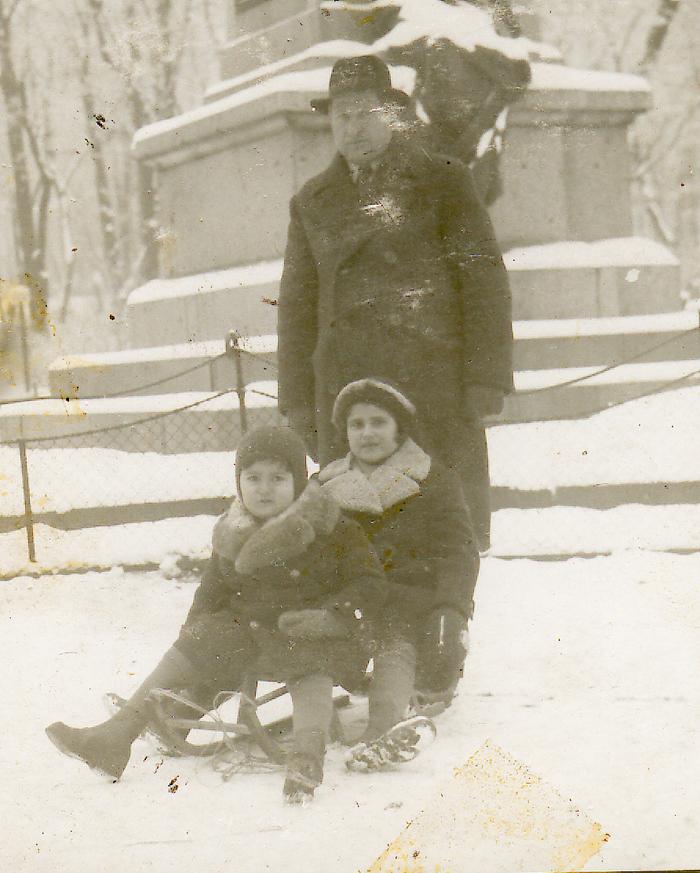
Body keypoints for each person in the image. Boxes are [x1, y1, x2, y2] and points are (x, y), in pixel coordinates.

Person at [46, 426, 386, 803]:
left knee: (310, 666)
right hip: (252, 633)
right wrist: (193, 638)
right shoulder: (232, 531)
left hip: (317, 629)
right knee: (199, 640)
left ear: (300, 481)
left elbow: (368, 582)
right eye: (253, 478)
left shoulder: (331, 527)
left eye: (278, 478)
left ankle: (307, 756)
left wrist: (332, 616)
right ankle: (115, 735)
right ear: (239, 482)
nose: (264, 488)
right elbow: (211, 593)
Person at [277, 54, 514, 552]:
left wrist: (484, 377)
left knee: (442, 538)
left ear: (392, 117)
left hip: (432, 386)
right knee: (354, 541)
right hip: (348, 396)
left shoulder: (442, 180)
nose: (353, 129)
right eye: (342, 116)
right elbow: (297, 307)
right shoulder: (311, 201)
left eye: (366, 114)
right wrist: (297, 399)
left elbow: (483, 282)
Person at [317, 379, 479, 742]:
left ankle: (385, 725)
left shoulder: (431, 479)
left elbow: (458, 551)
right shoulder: (325, 486)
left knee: (396, 645)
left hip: (411, 601)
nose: (367, 433)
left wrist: (451, 608)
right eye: (356, 424)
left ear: (399, 429)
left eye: (378, 422)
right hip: (351, 599)